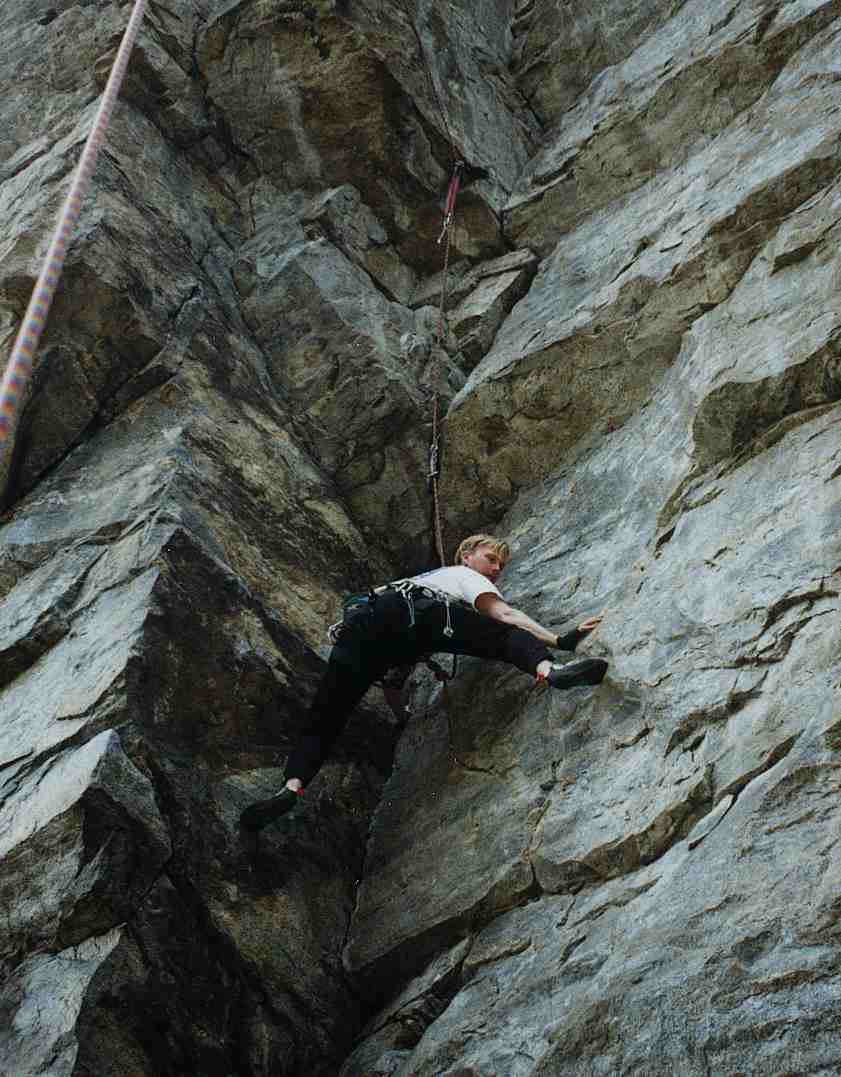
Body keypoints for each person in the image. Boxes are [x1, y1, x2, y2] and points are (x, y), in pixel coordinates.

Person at [240, 534, 607, 832]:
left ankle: (291, 787)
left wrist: (403, 718)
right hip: (420, 616)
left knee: (325, 719)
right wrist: (559, 640)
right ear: (466, 555)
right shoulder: (460, 574)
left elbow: (392, 682)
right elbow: (504, 614)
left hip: (360, 633)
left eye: (501, 565)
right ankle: (550, 671)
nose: (496, 569)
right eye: (491, 559)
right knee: (503, 636)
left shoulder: (407, 583)